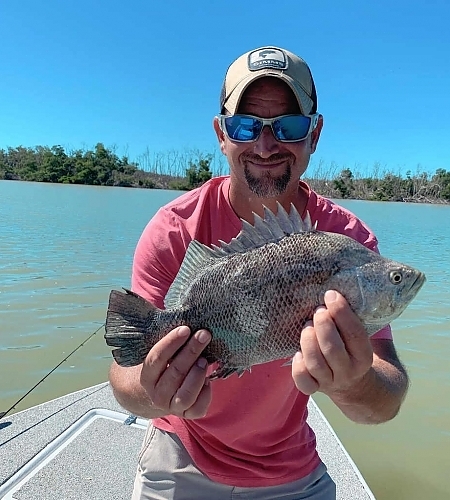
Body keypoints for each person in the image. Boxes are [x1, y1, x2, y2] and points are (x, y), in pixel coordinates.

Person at [109, 46, 409, 499]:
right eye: (245, 125)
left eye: (288, 126)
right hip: (181, 452)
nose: (265, 145)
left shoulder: (349, 240)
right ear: (221, 134)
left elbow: (385, 400)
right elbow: (124, 378)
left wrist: (354, 383)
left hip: (291, 468)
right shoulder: (174, 229)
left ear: (315, 133)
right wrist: (154, 388)